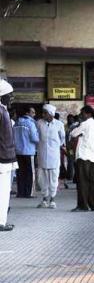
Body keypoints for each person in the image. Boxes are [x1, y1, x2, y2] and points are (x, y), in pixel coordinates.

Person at [70, 106, 94, 212]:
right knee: (91, 182)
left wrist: (79, 126)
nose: (81, 115)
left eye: (82, 113)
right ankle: (93, 205)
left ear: (88, 114)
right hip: (93, 156)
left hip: (83, 156)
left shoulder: (85, 124)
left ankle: (82, 205)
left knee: (82, 182)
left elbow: (73, 133)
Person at [36, 104, 65, 209]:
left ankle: (52, 200)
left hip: (54, 156)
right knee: (41, 178)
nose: (43, 114)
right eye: (43, 112)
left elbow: (62, 139)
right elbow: (36, 137)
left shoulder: (59, 124)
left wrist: (55, 146)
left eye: (45, 113)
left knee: (53, 178)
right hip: (42, 154)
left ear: (51, 114)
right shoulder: (39, 123)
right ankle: (44, 199)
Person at [0, 79, 18, 231]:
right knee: (2, 192)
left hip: (6, 159)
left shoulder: (3, 110)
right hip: (2, 160)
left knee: (4, 192)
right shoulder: (0, 111)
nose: (12, 98)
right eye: (9, 95)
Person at [13, 106, 39, 198]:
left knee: (20, 173)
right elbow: (34, 138)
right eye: (33, 112)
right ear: (27, 113)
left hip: (18, 152)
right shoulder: (30, 123)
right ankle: (29, 193)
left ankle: (20, 192)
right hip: (29, 152)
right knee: (30, 173)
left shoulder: (16, 123)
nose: (34, 114)